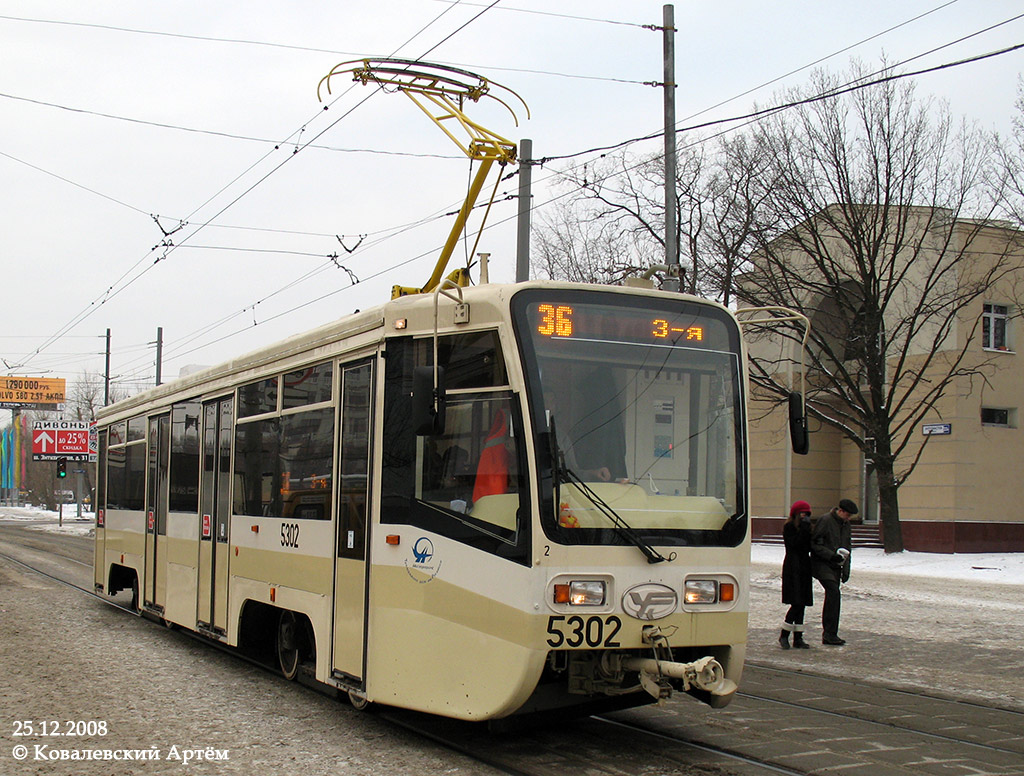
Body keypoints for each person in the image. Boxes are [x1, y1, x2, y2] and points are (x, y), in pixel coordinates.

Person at [811, 498, 857, 645]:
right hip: (822, 564)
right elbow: (814, 544)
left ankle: (831, 634)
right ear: (840, 511)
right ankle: (829, 633)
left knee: (834, 596)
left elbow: (847, 548)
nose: (848, 518)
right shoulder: (825, 520)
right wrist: (831, 555)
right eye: (847, 515)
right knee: (833, 592)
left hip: (836, 566)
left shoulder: (845, 525)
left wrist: (846, 569)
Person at [779, 500, 814, 649]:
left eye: (806, 514)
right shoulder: (789, 527)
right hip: (793, 567)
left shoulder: (808, 528)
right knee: (797, 602)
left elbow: (808, 546)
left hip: (804, 567)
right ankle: (784, 635)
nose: (804, 516)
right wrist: (805, 529)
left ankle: (798, 638)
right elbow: (796, 544)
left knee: (802, 603)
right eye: (802, 513)